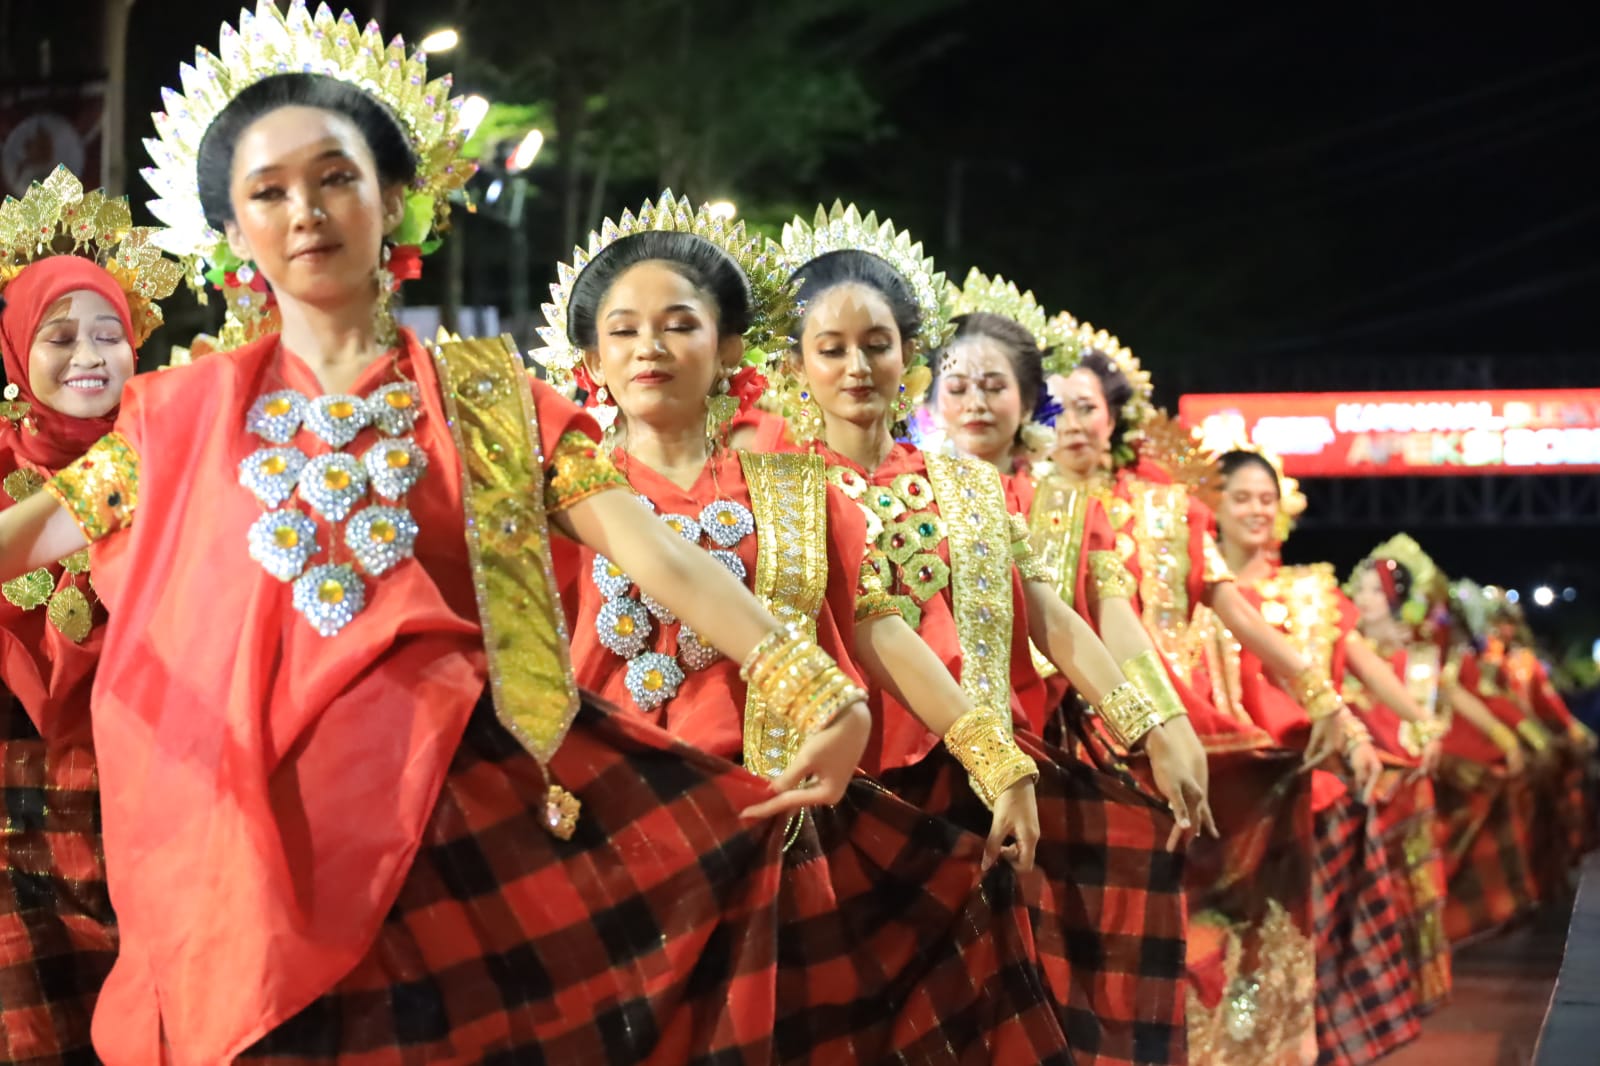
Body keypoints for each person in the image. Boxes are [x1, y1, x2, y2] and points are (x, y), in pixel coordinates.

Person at [0, 6, 924, 1062]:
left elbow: (653, 551)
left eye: (335, 176)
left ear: (397, 198)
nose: (305, 211)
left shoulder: (487, 399)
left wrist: (813, 681)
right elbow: (23, 542)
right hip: (241, 850)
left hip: (445, 826)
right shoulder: (176, 416)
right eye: (268, 191)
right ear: (232, 227)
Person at [746, 204, 1212, 1066]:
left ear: (909, 354)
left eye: (877, 344)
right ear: (792, 364)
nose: (857, 366)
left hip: (959, 794)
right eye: (832, 348)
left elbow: (1050, 615)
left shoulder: (964, 486)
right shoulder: (767, 484)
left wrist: (1156, 724)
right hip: (824, 789)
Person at [0, 166, 180, 1063]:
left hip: (154, 793)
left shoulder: (171, 465)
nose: (89, 355)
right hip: (12, 809)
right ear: (13, 350)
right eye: (59, 335)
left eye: (110, 333)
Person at [1207, 447, 1451, 1051]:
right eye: (1242, 497)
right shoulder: (1199, 589)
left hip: (1317, 790)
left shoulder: (1311, 589)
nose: (1257, 509)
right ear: (1214, 505)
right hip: (1232, 794)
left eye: (1266, 497)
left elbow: (1367, 669)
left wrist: (1420, 721)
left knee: (1306, 940)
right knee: (1233, 940)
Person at [1348, 536, 1541, 943]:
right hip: (1357, 775)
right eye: (1360, 588)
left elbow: (1454, 697)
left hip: (1406, 775)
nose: (1364, 598)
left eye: (1375, 590)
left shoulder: (1420, 657)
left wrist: (1506, 738)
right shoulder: (1343, 645)